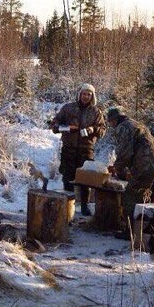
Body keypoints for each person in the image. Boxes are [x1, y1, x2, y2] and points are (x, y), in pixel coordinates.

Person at [106, 106, 154, 230]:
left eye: (110, 122)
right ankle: (149, 229)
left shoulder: (122, 127)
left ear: (114, 120)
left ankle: (130, 232)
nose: (111, 125)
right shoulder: (135, 124)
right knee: (147, 198)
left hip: (145, 164)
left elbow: (125, 153)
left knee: (130, 198)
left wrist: (116, 168)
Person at [51, 83, 106, 215]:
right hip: (68, 149)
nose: (86, 96)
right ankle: (68, 207)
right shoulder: (68, 108)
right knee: (68, 178)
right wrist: (66, 128)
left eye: (89, 94)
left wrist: (92, 129)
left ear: (92, 96)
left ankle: (84, 206)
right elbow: (54, 125)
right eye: (84, 93)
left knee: (85, 179)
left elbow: (103, 130)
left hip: (86, 149)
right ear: (79, 94)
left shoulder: (96, 111)